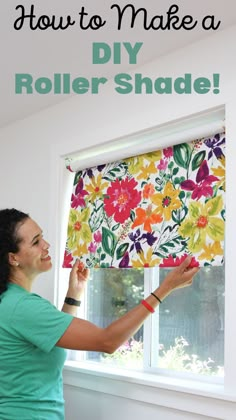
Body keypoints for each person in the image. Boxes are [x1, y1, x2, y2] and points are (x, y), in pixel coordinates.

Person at [0, 208, 199, 420]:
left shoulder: (9, 301)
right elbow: (108, 341)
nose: (46, 245)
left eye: (43, 237)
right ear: (13, 258)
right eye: (36, 241)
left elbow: (55, 337)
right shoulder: (23, 307)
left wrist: (74, 295)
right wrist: (164, 289)